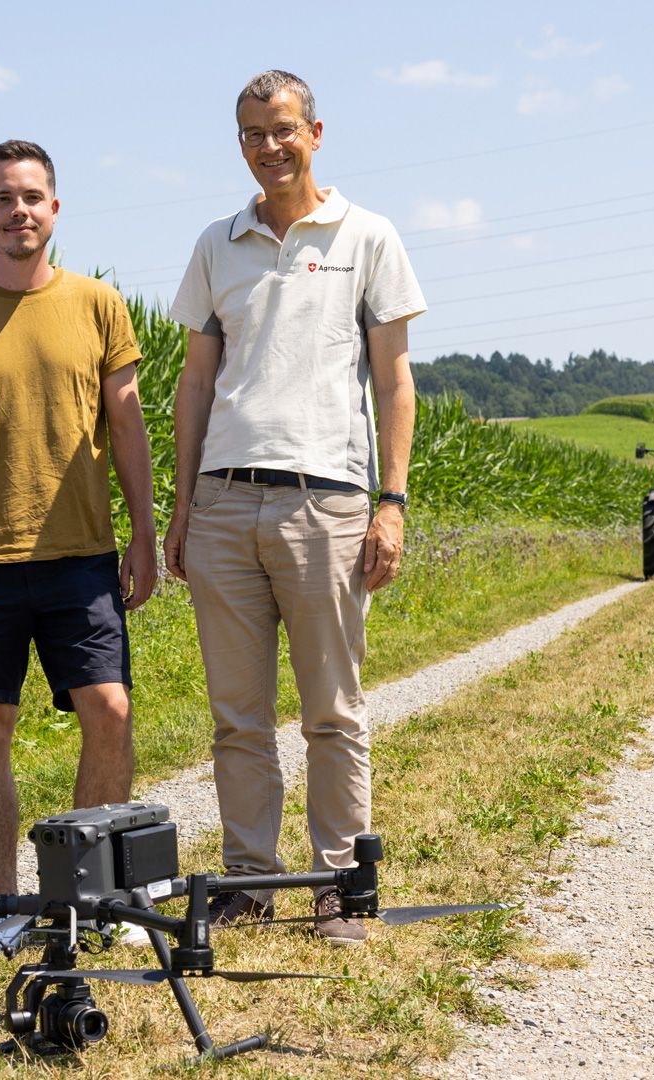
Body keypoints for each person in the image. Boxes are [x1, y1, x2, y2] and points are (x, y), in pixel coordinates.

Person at [163, 70, 426, 946]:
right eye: (250, 133)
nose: (267, 147)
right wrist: (180, 508)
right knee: (237, 716)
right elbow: (196, 383)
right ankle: (249, 881)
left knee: (332, 709)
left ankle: (339, 882)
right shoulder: (217, 243)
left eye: (281, 130)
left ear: (316, 132)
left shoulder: (368, 236)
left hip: (329, 504)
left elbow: (394, 379)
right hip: (223, 505)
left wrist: (391, 502)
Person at [0, 140, 157, 957]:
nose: (20, 211)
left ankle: (88, 898)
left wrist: (146, 531)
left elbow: (127, 426)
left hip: (80, 555)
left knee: (109, 714)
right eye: (4, 198)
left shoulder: (99, 305)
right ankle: (6, 904)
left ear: (56, 209)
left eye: (34, 197)